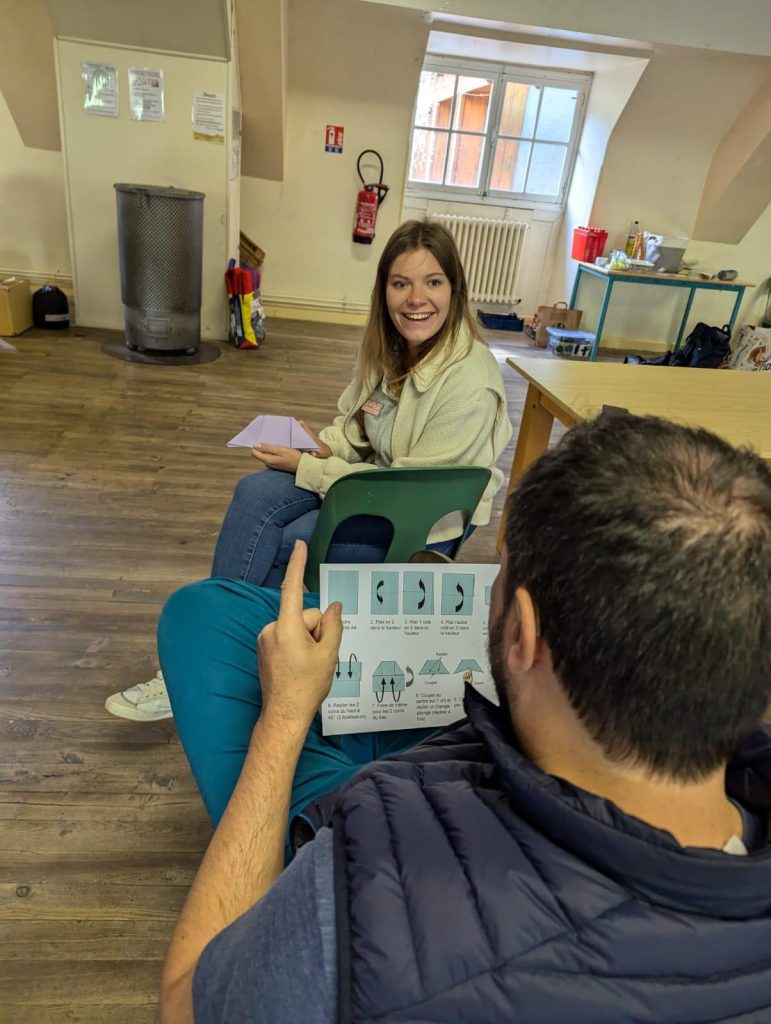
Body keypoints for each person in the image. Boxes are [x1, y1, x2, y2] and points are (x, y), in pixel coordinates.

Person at [157, 412, 771, 1024]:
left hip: (385, 836)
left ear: (525, 634)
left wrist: (285, 718)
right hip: (497, 802)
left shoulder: (357, 903)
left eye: (498, 579)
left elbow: (184, 1006)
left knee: (205, 622)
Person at [105, 218, 512, 723]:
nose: (415, 299)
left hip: (416, 526)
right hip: (369, 494)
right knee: (254, 491)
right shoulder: (389, 349)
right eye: (401, 283)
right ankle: (207, 660)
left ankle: (211, 670)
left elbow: (405, 489)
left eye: (433, 282)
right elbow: (360, 430)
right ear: (383, 289)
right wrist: (320, 446)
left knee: (280, 543)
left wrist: (312, 469)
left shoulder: (470, 382)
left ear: (455, 289)